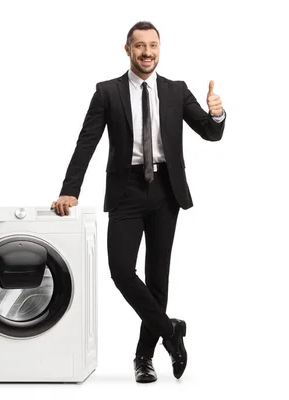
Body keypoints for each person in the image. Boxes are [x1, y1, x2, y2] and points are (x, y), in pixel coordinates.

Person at [51, 21, 226, 383]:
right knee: (121, 271)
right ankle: (171, 331)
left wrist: (217, 113)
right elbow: (87, 142)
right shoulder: (107, 92)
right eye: (140, 46)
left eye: (153, 46)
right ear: (127, 49)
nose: (147, 52)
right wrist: (71, 189)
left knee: (157, 278)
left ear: (160, 49)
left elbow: (211, 133)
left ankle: (144, 358)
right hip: (126, 190)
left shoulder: (176, 91)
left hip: (166, 190)